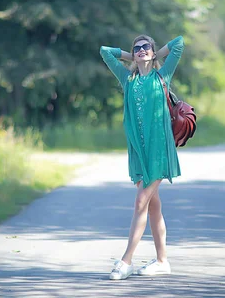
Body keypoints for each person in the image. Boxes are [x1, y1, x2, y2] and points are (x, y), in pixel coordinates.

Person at [99, 34, 184, 280]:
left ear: (154, 52)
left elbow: (179, 43)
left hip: (159, 152)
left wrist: (154, 54)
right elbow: (105, 51)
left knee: (140, 203)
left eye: (146, 47)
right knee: (153, 207)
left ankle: (126, 261)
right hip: (139, 152)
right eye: (137, 47)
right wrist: (130, 56)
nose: (142, 50)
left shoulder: (162, 76)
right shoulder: (128, 79)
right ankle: (162, 261)